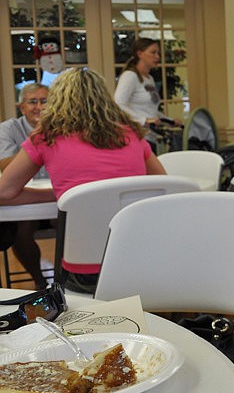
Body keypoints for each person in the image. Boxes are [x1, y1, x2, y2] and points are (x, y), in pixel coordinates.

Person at [0, 68, 166, 293]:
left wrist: (63, 194)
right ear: (105, 98)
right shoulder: (131, 135)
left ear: (58, 100)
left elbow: (4, 193)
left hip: (84, 273)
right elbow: (163, 188)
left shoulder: (46, 138)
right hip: (140, 264)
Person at [0, 83, 51, 288]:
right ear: (22, 107)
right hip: (24, 197)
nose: (39, 106)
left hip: (55, 196)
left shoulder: (63, 126)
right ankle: (40, 281)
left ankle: (67, 280)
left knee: (71, 221)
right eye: (33, 102)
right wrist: (35, 141)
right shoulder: (8, 128)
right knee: (22, 229)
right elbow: (3, 164)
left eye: (44, 101)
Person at [113, 37, 181, 152]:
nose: (157, 57)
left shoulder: (150, 79)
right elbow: (118, 104)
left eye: (158, 53)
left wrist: (169, 121)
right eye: (153, 52)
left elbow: (151, 110)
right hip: (136, 138)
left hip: (150, 138)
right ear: (140, 54)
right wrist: (143, 120)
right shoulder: (130, 76)